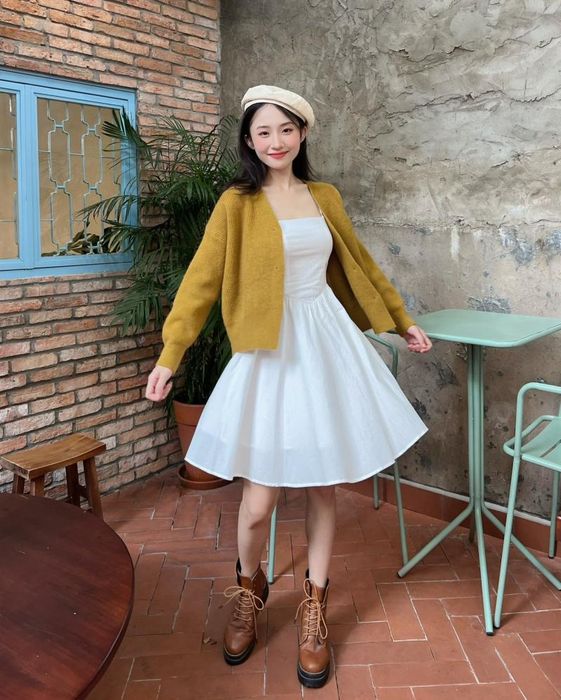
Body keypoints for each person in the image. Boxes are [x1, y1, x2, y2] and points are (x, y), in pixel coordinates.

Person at [145, 84, 432, 689]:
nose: (275, 141)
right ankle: (249, 588)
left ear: (302, 134)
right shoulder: (236, 203)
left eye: (285, 129)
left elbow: (359, 263)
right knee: (259, 502)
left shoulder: (324, 197)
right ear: (249, 141)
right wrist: (172, 354)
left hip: (324, 343)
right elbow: (201, 281)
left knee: (324, 487)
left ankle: (314, 606)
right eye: (263, 132)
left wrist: (400, 319)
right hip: (268, 351)